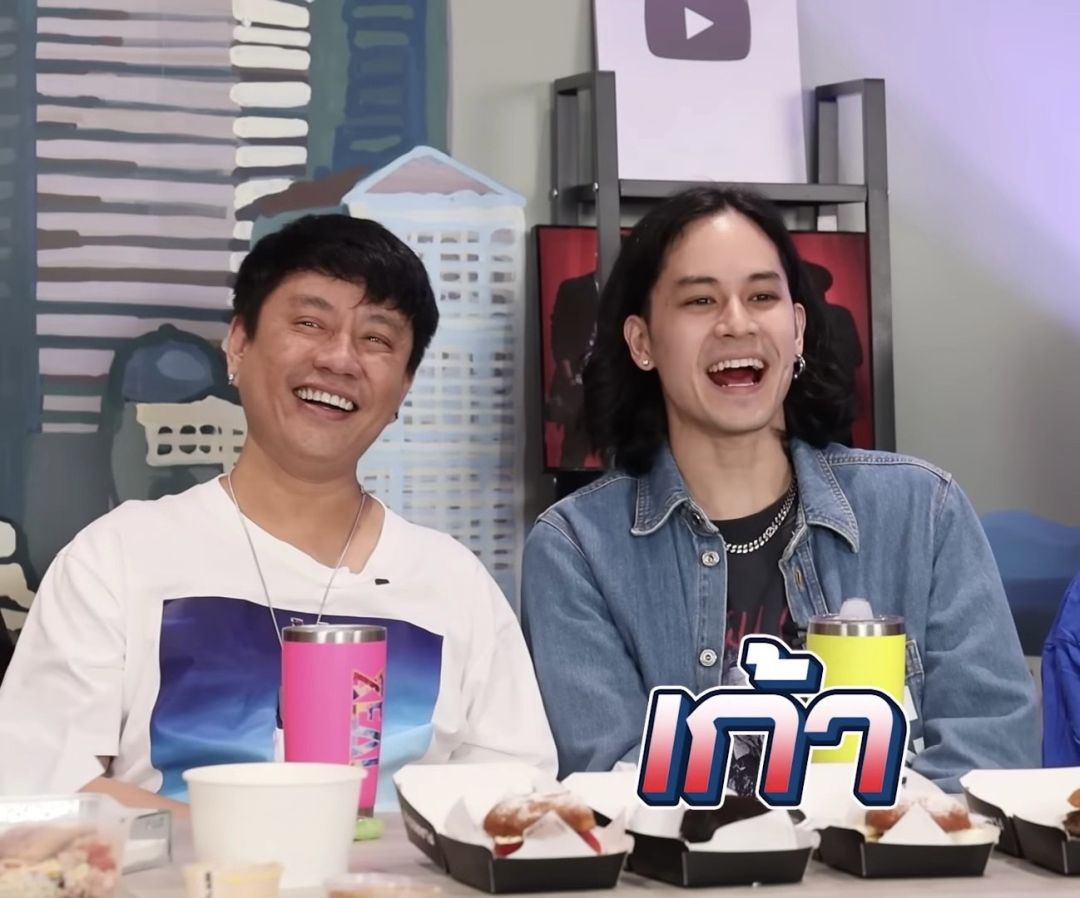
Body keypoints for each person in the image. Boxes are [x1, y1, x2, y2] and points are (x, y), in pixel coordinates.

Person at [0, 214, 556, 811]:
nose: (339, 359)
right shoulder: (117, 558)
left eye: (376, 339)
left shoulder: (453, 584)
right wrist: (258, 840)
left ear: (404, 386)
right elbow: (39, 792)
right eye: (310, 323)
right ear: (239, 344)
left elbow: (515, 803)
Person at [521, 186, 1039, 793]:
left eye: (762, 296)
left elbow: (991, 754)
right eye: (700, 300)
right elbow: (617, 785)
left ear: (796, 329)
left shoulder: (923, 511)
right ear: (642, 343)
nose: (736, 322)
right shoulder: (576, 550)